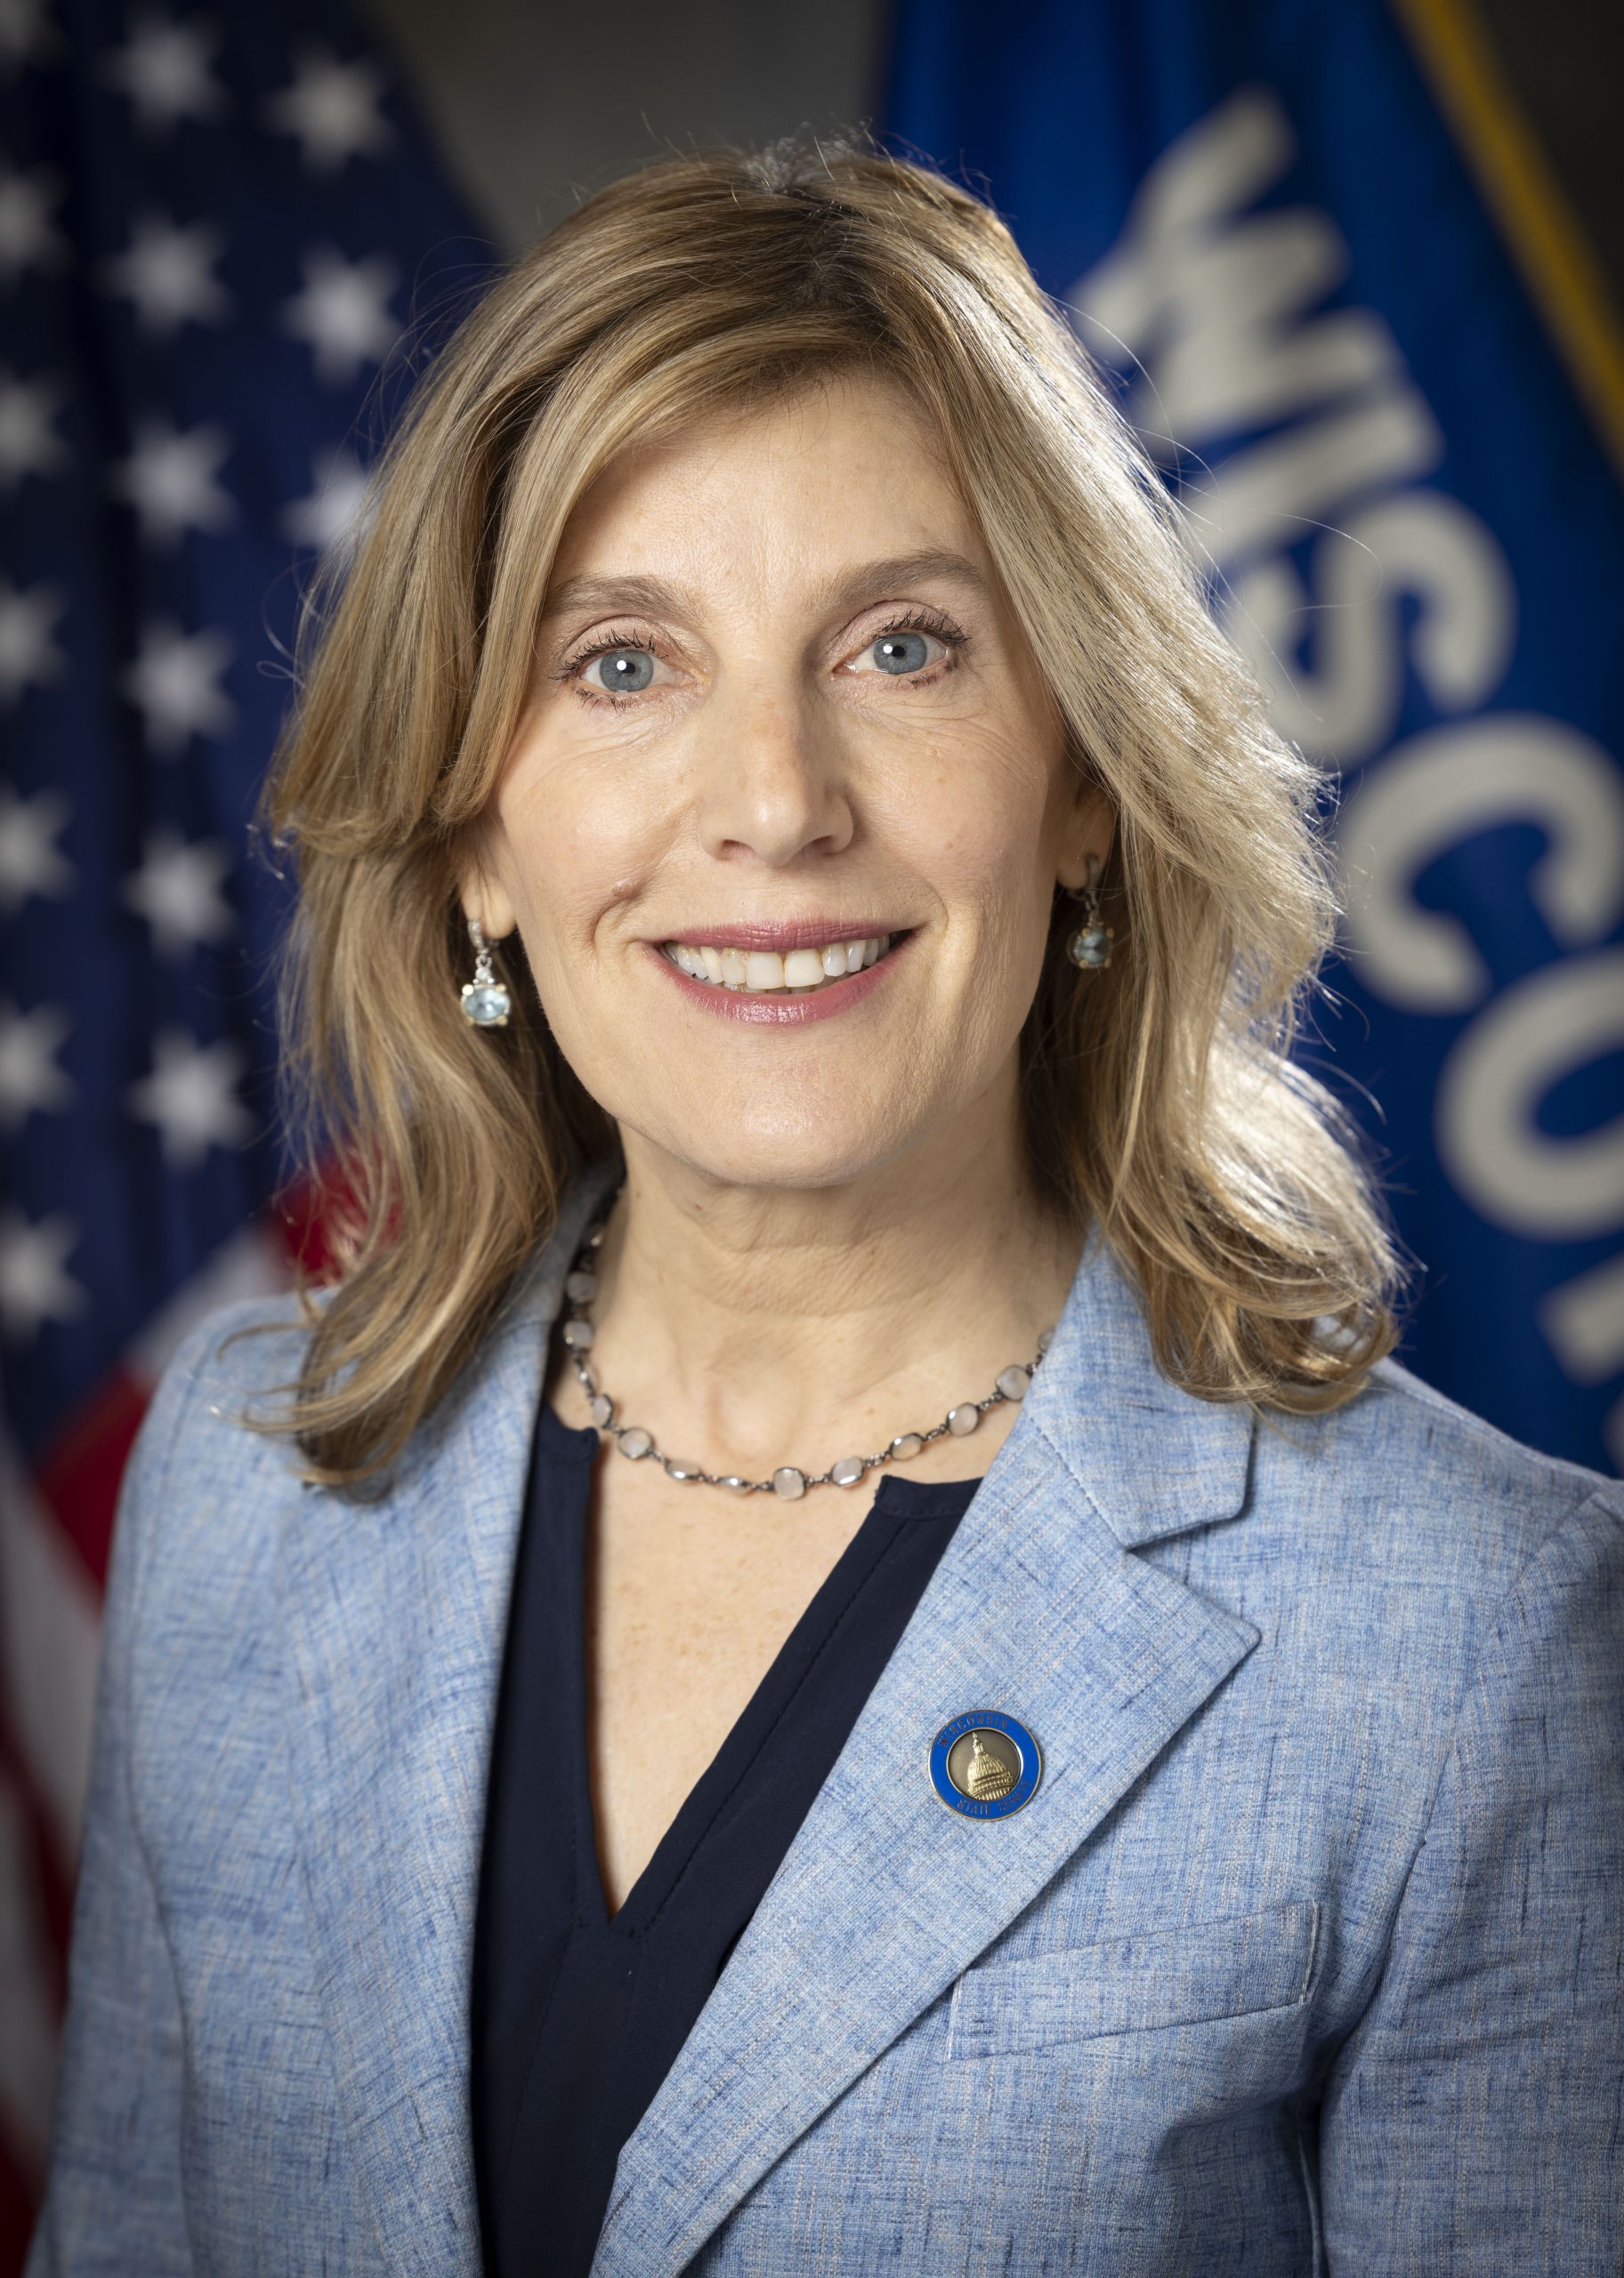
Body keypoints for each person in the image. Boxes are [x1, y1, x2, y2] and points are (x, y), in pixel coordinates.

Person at [28, 137, 1622, 2278]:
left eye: (900, 646)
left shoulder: (1465, 1641)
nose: (773, 803)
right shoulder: (241, 1489)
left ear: (1080, 782)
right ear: (475, 833)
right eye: (621, 663)